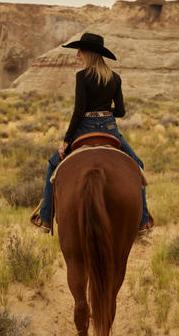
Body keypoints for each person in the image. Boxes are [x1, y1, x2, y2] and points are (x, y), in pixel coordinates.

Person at [30, 32, 153, 234]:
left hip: (84, 128)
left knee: (54, 164)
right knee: (136, 165)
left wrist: (66, 141)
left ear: (89, 53)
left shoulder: (82, 76)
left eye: (80, 50)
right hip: (110, 128)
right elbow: (121, 112)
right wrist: (105, 114)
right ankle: (143, 221)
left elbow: (79, 111)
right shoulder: (115, 78)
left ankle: (44, 218)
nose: (77, 54)